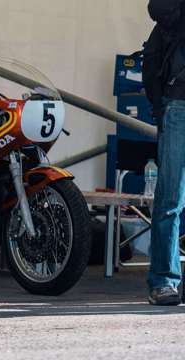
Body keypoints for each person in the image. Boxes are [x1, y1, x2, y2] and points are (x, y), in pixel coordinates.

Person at [142, 0, 185, 306]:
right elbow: (157, 6)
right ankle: (163, 281)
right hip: (178, 105)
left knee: (171, 199)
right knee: (170, 198)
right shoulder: (174, 14)